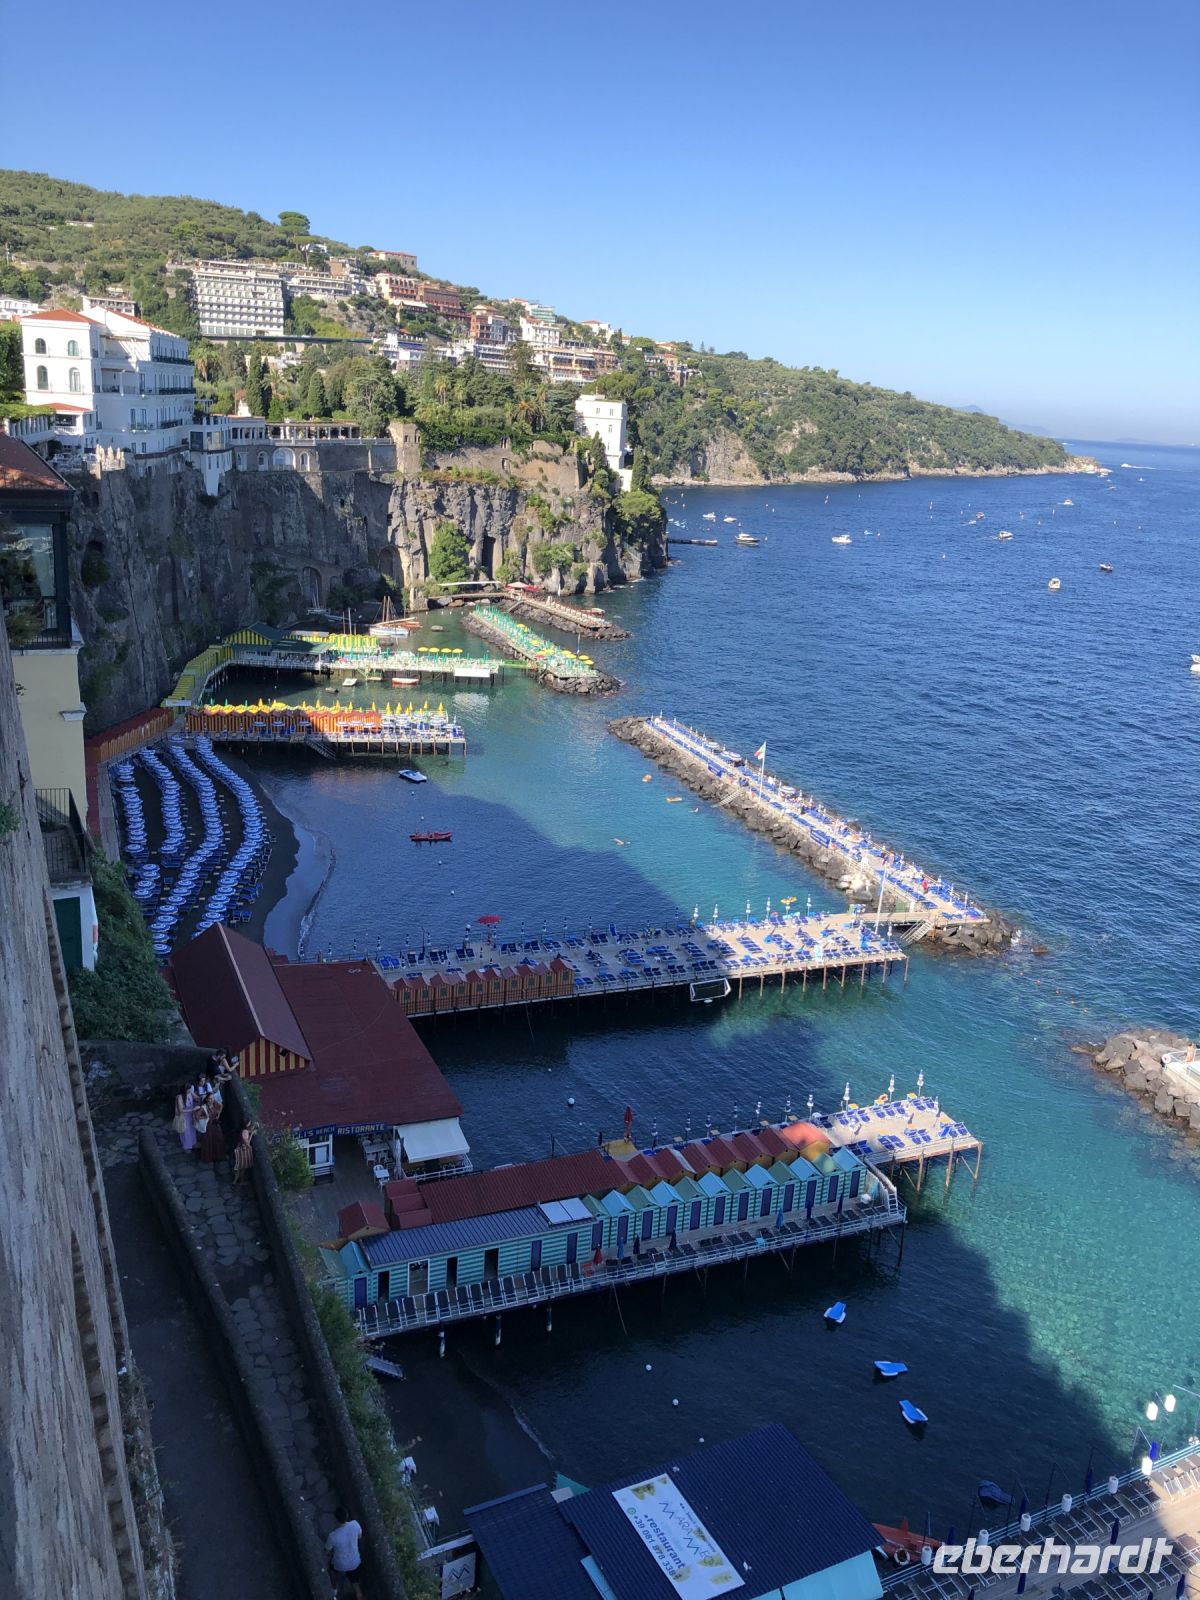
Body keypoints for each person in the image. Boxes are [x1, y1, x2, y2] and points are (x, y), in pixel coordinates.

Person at [326, 1507, 364, 1598]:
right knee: (356, 1586)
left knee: (332, 1571)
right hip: (355, 1562)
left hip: (340, 1564)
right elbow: (360, 1537)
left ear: (335, 1519)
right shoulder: (355, 1524)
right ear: (347, 1516)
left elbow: (327, 1551)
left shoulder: (333, 1536)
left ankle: (334, 1590)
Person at [174, 1083, 197, 1153]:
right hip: (183, 1116)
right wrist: (192, 1110)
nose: (190, 1092)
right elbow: (181, 1110)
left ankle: (193, 1143)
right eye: (188, 1090)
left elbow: (197, 1097)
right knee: (185, 1131)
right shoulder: (179, 1097)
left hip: (190, 1115)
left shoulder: (190, 1093)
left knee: (192, 1129)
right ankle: (186, 1147)